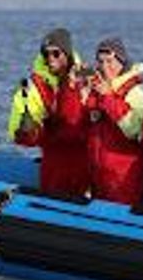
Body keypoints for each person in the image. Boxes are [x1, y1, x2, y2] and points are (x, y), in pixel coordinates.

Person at [7, 28, 90, 196]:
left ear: (67, 54)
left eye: (56, 54)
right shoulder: (33, 87)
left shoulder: (87, 78)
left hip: (87, 163)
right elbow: (18, 131)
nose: (50, 59)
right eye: (46, 54)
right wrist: (27, 131)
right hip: (55, 164)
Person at [82, 37, 143, 205]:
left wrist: (109, 98)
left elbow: (135, 130)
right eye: (100, 62)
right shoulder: (96, 89)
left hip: (125, 181)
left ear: (122, 63)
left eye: (110, 61)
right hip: (99, 178)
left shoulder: (137, 91)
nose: (105, 67)